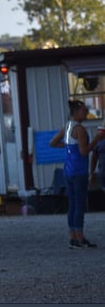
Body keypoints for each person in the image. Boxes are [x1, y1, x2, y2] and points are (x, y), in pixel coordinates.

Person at [49, 99, 98, 249]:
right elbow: (84, 151)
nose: (86, 112)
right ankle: (80, 237)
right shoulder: (80, 130)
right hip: (79, 170)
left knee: (72, 204)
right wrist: (97, 139)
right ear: (76, 112)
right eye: (84, 110)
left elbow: (52, 142)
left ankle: (72, 236)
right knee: (79, 204)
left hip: (68, 170)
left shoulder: (68, 126)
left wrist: (68, 147)